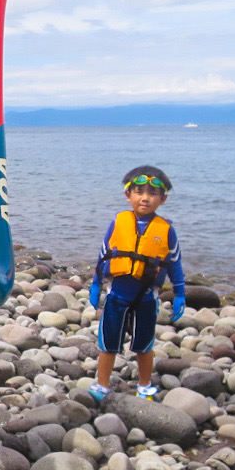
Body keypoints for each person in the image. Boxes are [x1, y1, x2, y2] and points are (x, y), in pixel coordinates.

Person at [87, 165, 186, 402]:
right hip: (117, 295)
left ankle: (143, 385)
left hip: (146, 297)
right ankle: (102, 385)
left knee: (144, 345)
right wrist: (95, 284)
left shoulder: (166, 230)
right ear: (128, 195)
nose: (145, 198)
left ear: (163, 199)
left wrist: (180, 293)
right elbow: (103, 256)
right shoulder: (118, 222)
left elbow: (175, 263)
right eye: (139, 191)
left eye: (153, 194)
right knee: (108, 343)